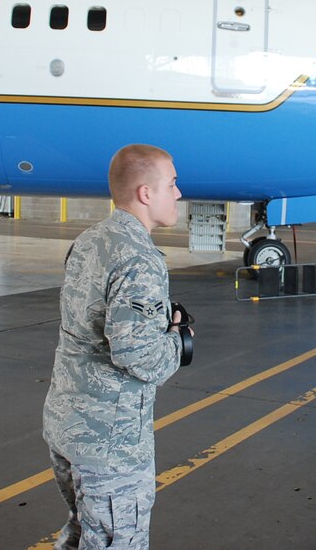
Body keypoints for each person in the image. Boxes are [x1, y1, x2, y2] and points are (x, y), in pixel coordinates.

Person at [43, 144, 192, 549]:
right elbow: (138, 355)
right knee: (117, 541)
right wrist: (176, 342)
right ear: (146, 193)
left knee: (82, 530)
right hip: (109, 439)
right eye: (173, 184)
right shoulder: (139, 258)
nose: (178, 194)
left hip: (67, 421)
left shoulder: (90, 240)